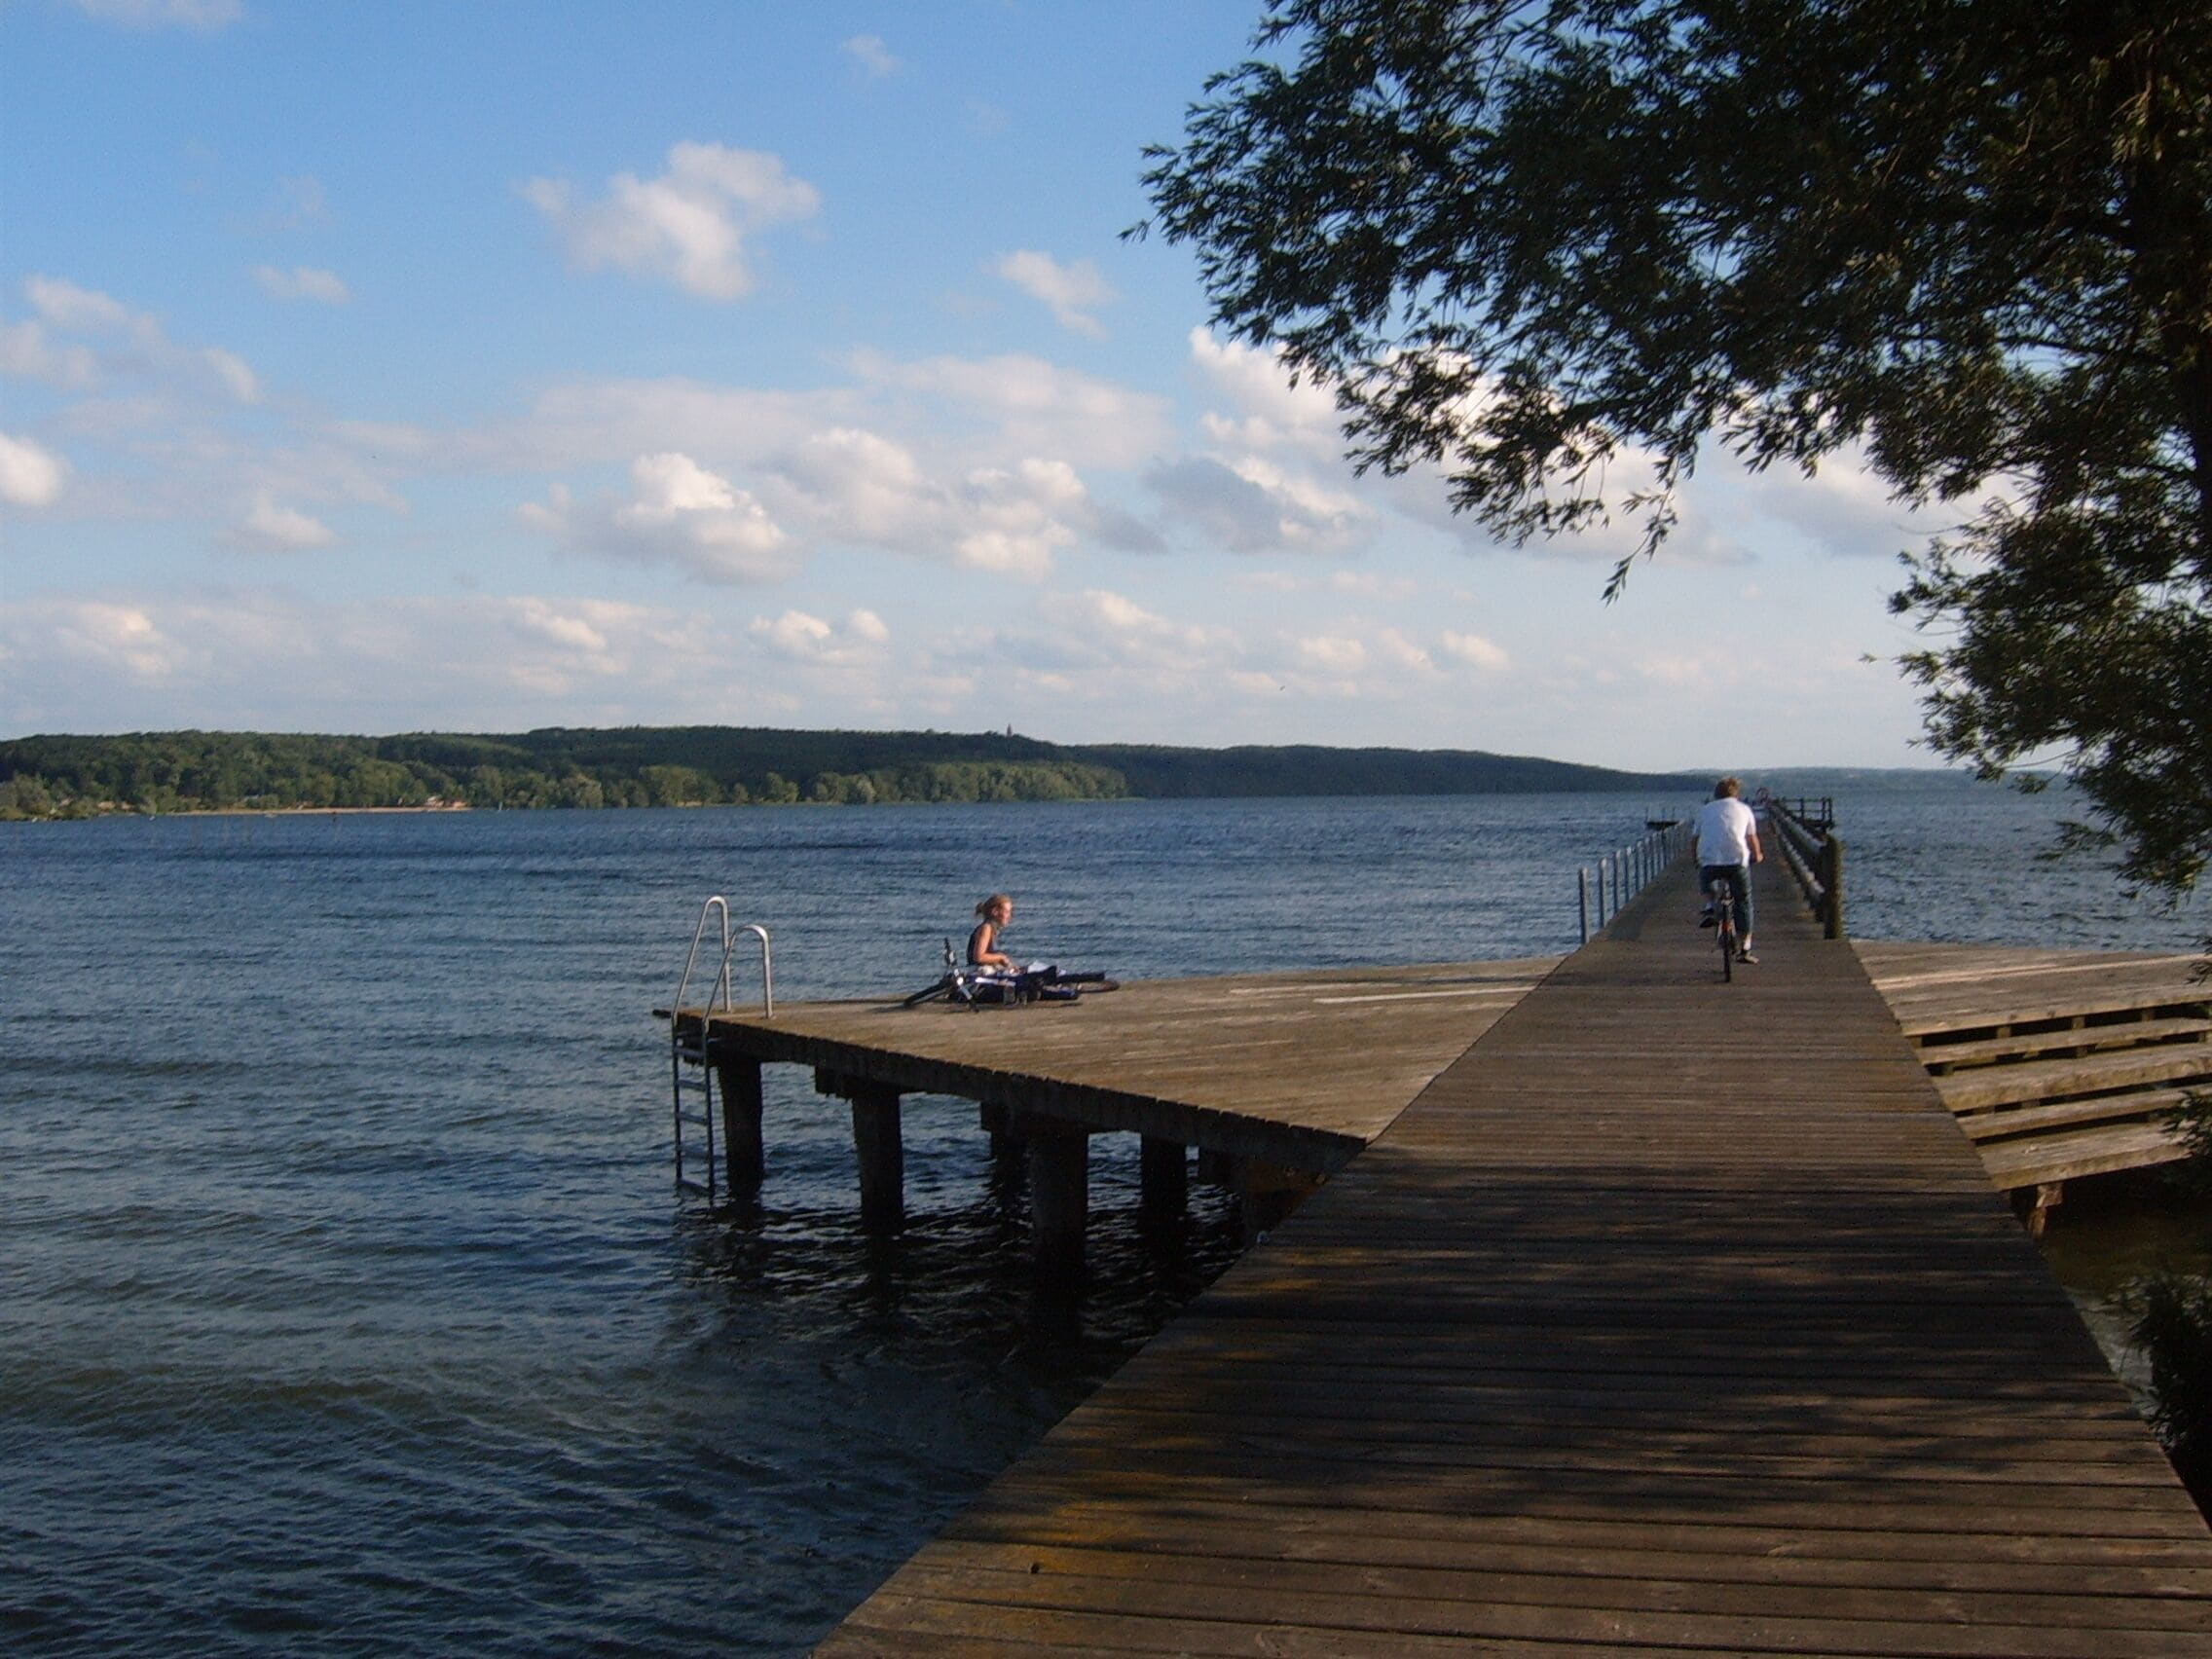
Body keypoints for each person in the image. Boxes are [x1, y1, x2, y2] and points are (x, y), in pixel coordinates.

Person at [1693, 777, 1763, 964]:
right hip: (1737, 862)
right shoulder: (1745, 809)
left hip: (1710, 863)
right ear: (1736, 794)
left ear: (1716, 794)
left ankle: (1710, 905)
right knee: (1743, 902)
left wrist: (1696, 860)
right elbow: (1752, 838)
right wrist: (1757, 855)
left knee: (1706, 879)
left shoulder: (1705, 810)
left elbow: (1695, 839)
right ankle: (1745, 948)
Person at [968, 894, 1015, 968]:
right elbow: (979, 957)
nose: (1009, 916)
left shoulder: (991, 929)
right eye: (1007, 912)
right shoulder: (986, 928)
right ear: (995, 911)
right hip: (980, 972)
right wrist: (1001, 957)